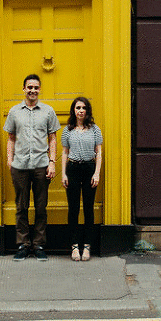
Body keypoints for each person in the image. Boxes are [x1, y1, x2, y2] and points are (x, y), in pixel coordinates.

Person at [3, 74, 60, 262]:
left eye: (36, 87)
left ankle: (39, 245)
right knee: (21, 206)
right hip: (19, 166)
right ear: (24, 89)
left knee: (41, 207)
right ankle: (23, 245)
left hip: (41, 166)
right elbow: (10, 137)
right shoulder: (14, 112)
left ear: (39, 89)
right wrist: (10, 160)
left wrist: (52, 162)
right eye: (29, 87)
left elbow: (52, 138)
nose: (32, 91)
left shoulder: (48, 111)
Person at [61, 97, 103, 262]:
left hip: (89, 169)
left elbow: (99, 152)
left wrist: (97, 173)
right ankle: (74, 246)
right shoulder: (68, 130)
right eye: (78, 107)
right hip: (73, 168)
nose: (80, 110)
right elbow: (64, 152)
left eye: (83, 108)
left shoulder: (94, 129)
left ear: (87, 111)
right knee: (73, 209)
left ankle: (86, 246)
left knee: (88, 209)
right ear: (73, 110)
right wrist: (63, 174)